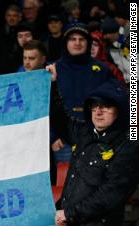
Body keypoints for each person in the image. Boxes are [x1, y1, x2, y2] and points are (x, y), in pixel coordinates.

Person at [48, 64, 139, 226]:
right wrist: (53, 84)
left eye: (106, 106)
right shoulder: (85, 133)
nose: (98, 111)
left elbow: (110, 195)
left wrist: (69, 214)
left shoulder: (129, 145)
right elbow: (59, 120)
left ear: (120, 111)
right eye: (94, 106)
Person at [52, 23, 113, 162]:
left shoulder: (102, 70)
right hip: (63, 141)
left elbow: (113, 103)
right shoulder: (53, 70)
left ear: (88, 43)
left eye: (82, 39)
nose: (77, 43)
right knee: (66, 183)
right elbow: (43, 106)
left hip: (97, 139)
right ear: (65, 43)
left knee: (96, 181)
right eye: (72, 39)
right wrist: (52, 136)